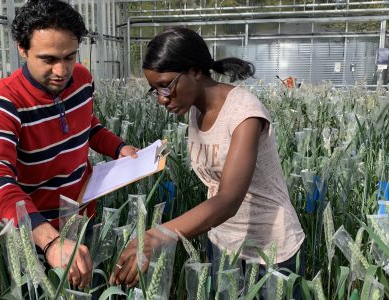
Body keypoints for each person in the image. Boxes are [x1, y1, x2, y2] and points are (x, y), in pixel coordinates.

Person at [110, 27, 305, 298]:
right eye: (154, 90)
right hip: (223, 244)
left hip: (270, 251)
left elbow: (228, 200)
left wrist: (158, 236)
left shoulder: (244, 113)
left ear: (195, 71)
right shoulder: (195, 109)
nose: (162, 98)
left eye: (166, 85)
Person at [0, 0, 137, 289]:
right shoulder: (5, 103)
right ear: (22, 49)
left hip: (83, 217)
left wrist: (119, 148)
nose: (62, 71)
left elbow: (87, 125)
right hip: (36, 234)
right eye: (48, 59)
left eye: (70, 56)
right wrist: (49, 241)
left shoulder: (83, 80)